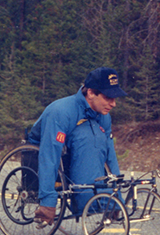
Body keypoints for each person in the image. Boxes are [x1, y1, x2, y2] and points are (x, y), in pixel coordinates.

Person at [28, 67, 127, 225]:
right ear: (90, 93)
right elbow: (49, 155)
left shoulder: (103, 116)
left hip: (74, 148)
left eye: (115, 98)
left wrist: (117, 198)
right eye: (108, 97)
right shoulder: (61, 112)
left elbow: (110, 154)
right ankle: (86, 202)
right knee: (85, 136)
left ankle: (100, 200)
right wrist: (47, 201)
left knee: (93, 135)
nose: (113, 104)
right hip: (46, 145)